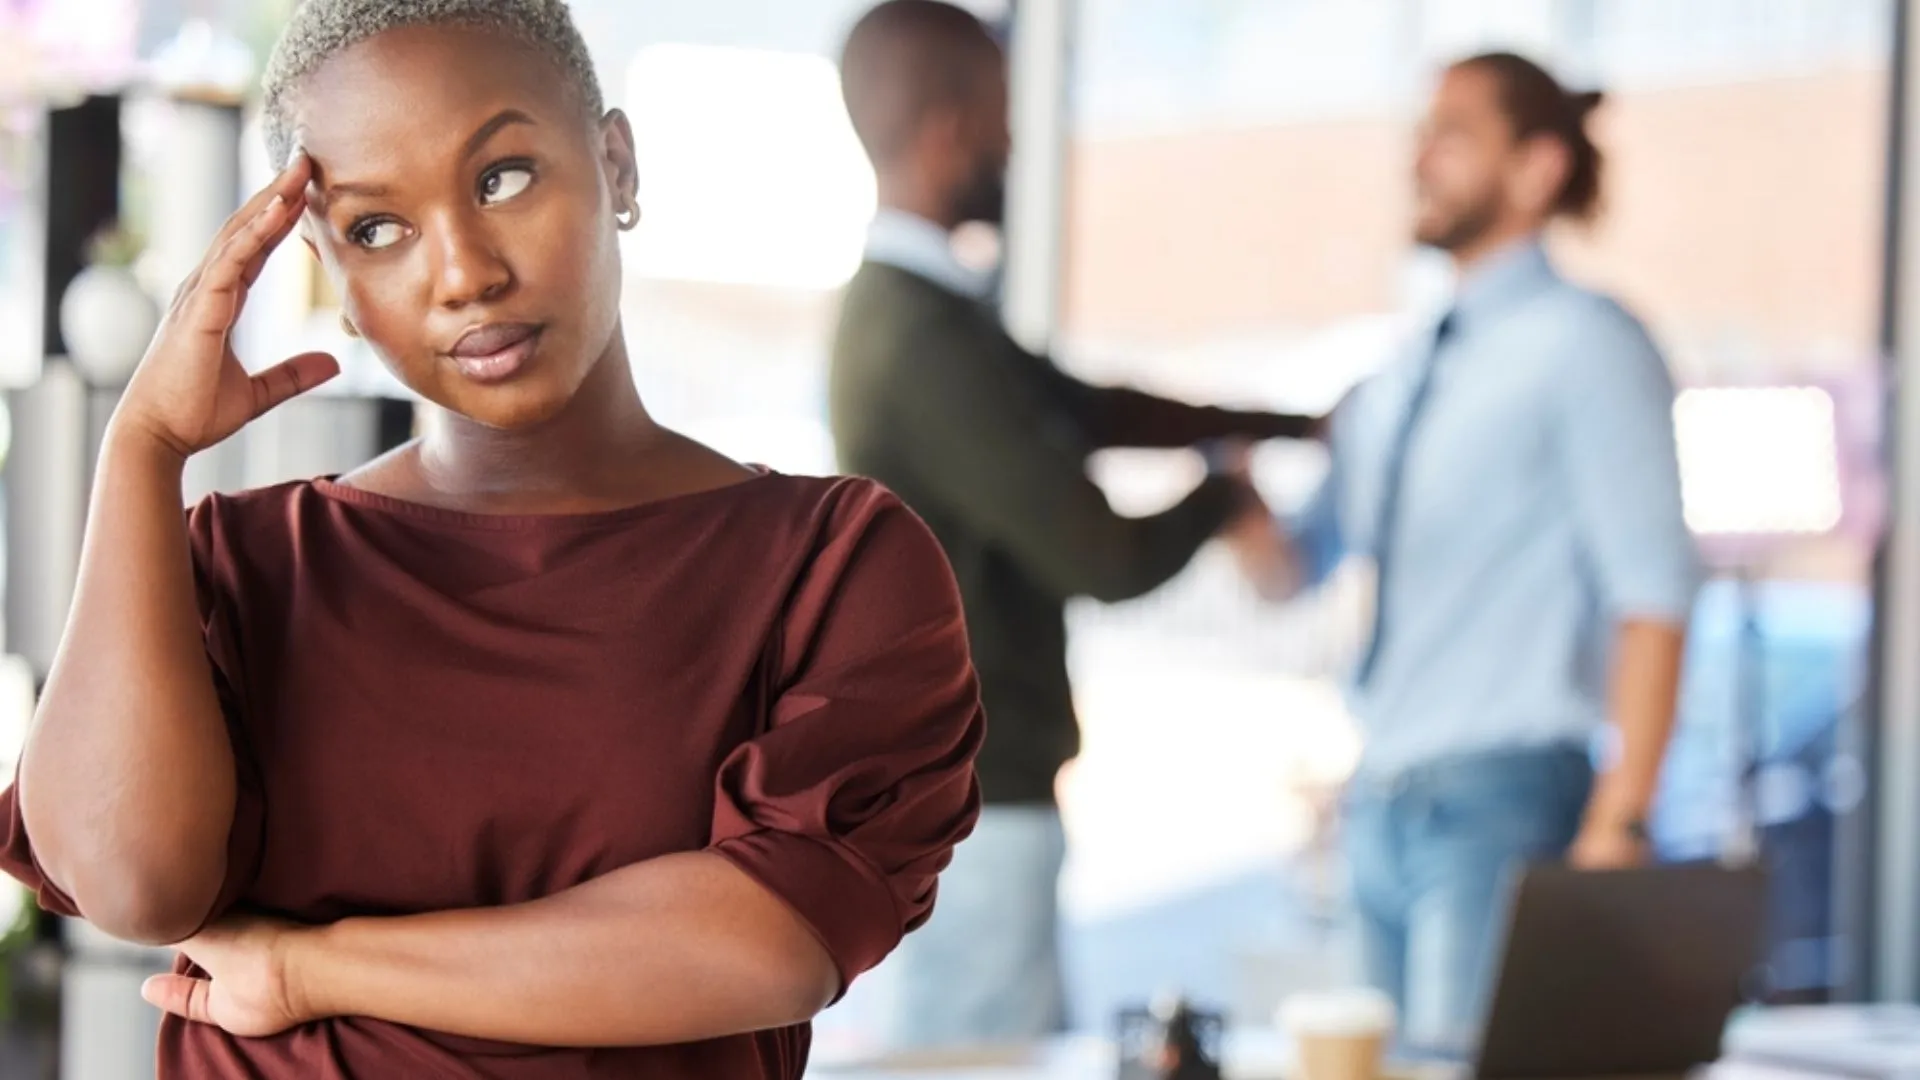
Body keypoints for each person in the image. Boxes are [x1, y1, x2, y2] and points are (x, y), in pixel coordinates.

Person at [0, 2, 985, 1077]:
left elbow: (764, 941)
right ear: (334, 272)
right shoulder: (238, 566)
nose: (464, 271)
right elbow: (134, 886)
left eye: (502, 177)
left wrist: (305, 972)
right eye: (379, 228)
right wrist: (141, 449)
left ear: (617, 165)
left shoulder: (833, 565)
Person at [828, 0, 1322, 1049]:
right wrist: (1225, 497)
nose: (1014, 145)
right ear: (951, 129)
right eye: (1004, 119)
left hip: (974, 795)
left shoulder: (927, 317)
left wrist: (1291, 421)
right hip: (974, 803)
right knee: (977, 1065)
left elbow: (1088, 408)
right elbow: (1099, 554)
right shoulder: (919, 340)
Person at [1228, 53, 1701, 1053]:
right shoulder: (1399, 371)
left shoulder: (1588, 345)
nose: (1420, 156)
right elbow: (1296, 572)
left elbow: (1654, 594)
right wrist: (1222, 497)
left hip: (1505, 801)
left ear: (1536, 169)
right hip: (1382, 803)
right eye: (1421, 131)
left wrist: (1621, 825)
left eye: (1453, 135)